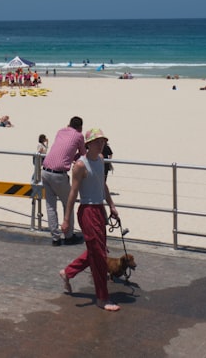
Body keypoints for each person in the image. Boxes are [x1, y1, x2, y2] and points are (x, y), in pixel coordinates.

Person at [58, 128, 120, 312]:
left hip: (99, 209)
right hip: (87, 211)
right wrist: (66, 220)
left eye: (103, 141)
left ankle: (67, 272)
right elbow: (73, 193)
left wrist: (112, 205)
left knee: (98, 250)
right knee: (99, 255)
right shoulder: (80, 165)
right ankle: (102, 298)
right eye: (97, 141)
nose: (101, 144)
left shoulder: (100, 160)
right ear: (88, 144)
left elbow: (103, 184)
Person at [41, 116, 86, 246]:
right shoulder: (78, 135)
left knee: (50, 206)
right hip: (58, 174)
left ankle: (55, 237)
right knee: (68, 204)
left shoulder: (61, 131)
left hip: (45, 170)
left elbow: (63, 148)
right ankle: (69, 235)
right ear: (80, 127)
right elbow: (83, 153)